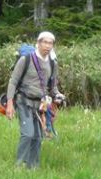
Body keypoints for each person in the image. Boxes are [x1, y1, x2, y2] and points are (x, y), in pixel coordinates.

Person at [6, 31, 65, 169]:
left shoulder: (53, 64)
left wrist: (58, 96)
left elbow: (53, 87)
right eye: (45, 42)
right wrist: (9, 103)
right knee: (28, 134)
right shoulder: (25, 60)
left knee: (38, 137)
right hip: (23, 101)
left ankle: (33, 168)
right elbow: (13, 82)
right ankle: (19, 166)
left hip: (40, 105)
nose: (48, 46)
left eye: (50, 43)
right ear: (38, 43)